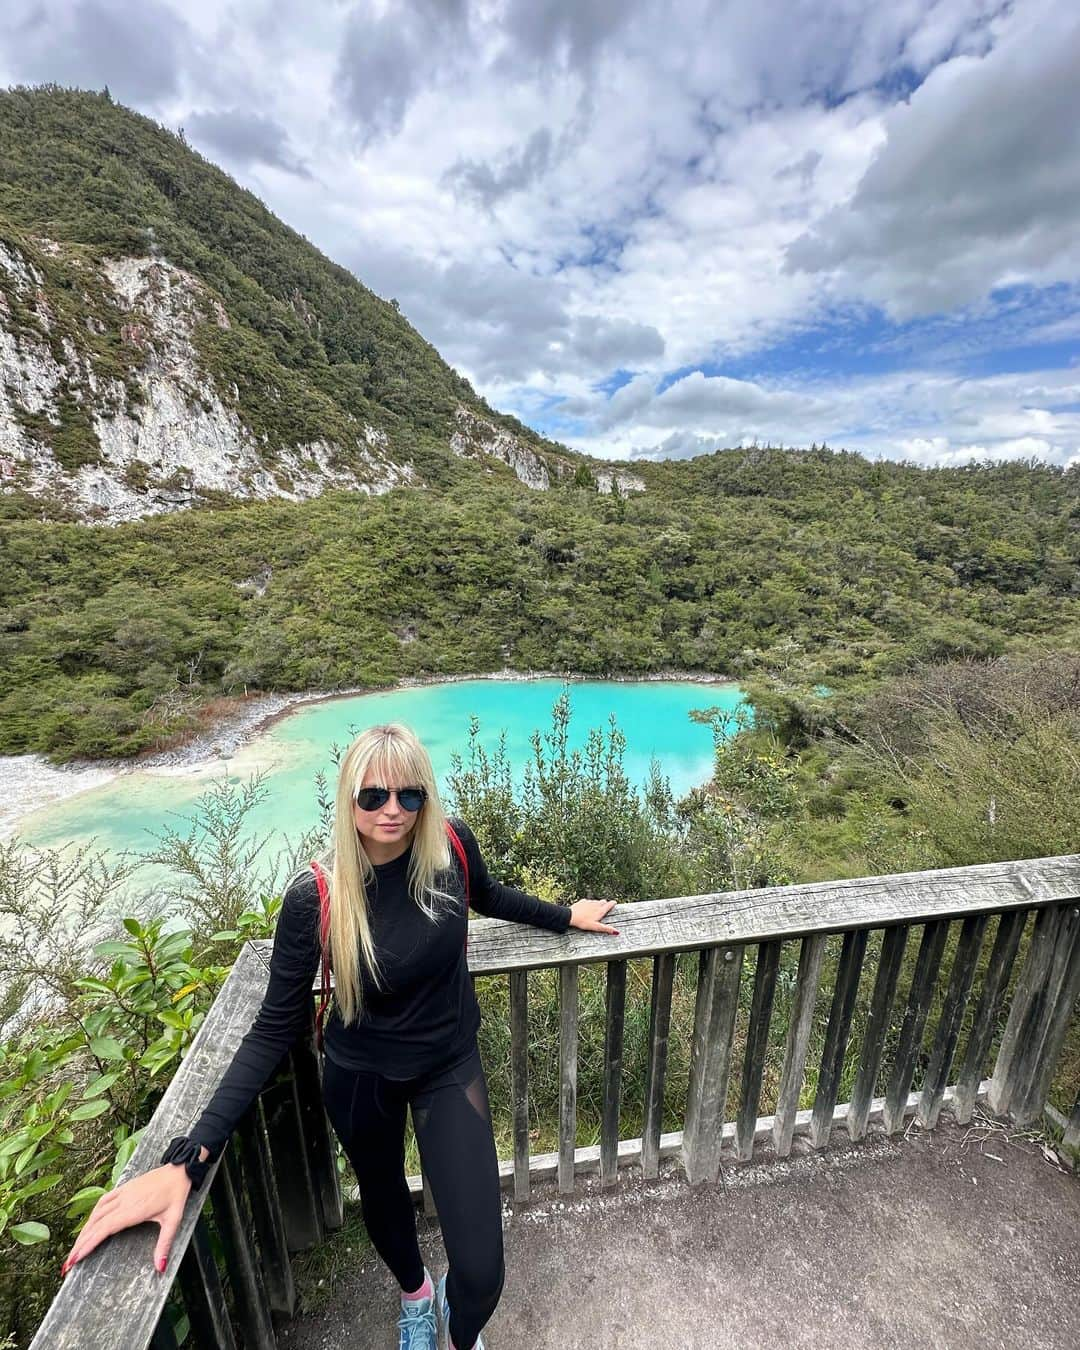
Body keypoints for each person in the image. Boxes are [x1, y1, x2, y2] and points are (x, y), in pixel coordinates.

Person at [62, 723, 619, 1350]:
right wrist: (190, 1158)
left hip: (447, 1065)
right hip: (361, 1079)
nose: (393, 811)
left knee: (483, 1269)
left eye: (410, 796)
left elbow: (487, 896)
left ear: (426, 799)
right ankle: (415, 1296)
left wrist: (567, 916)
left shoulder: (451, 850)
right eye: (373, 795)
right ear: (347, 798)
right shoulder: (316, 896)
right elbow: (274, 1026)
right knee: (383, 1199)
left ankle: (459, 1334)